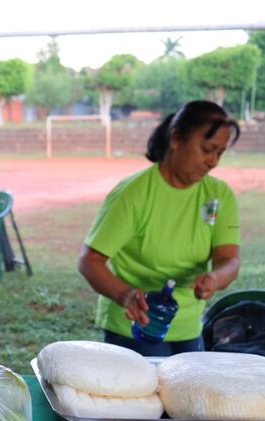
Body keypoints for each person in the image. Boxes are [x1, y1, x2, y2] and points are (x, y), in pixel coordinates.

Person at [78, 100, 242, 356]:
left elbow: (229, 259)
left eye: (219, 153)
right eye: (207, 149)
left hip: (189, 328)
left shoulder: (219, 195)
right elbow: (90, 261)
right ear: (176, 139)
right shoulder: (134, 193)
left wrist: (215, 278)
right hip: (134, 326)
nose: (212, 162)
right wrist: (126, 296)